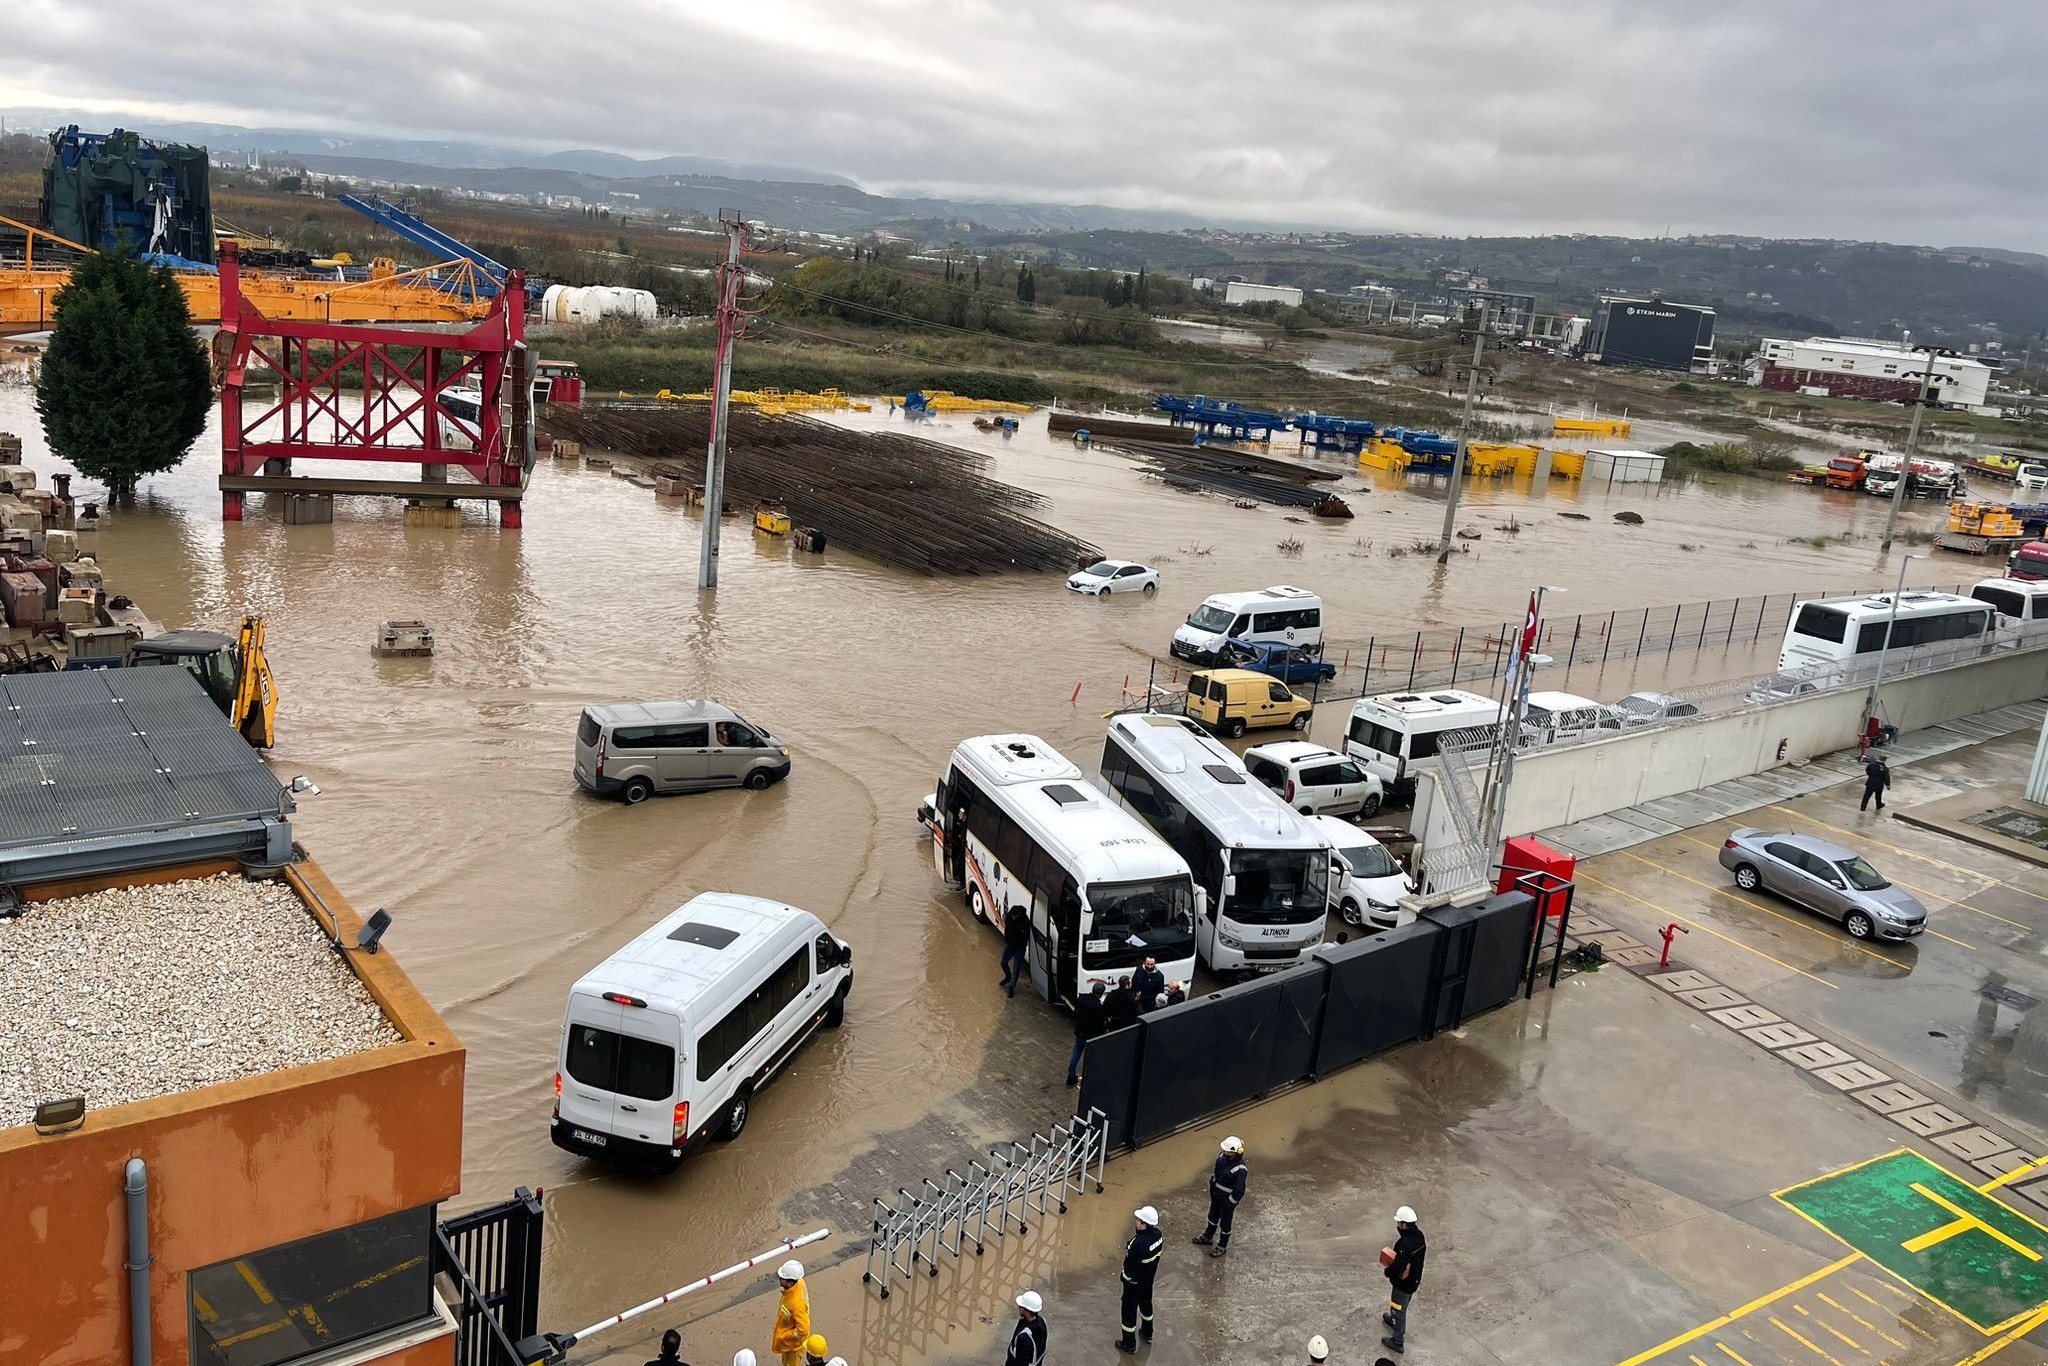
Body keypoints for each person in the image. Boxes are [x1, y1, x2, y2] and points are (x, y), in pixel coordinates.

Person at [1114, 1206, 1163, 1353]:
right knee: (1146, 1305)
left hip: (1134, 1284)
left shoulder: (1136, 1244)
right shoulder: (1158, 1236)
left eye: (1138, 1221)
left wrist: (1124, 1278)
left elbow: (1130, 1267)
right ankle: (1148, 1332)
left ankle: (1129, 1343)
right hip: (1148, 1281)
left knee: (1129, 1312)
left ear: (1145, 1224)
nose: (1136, 1222)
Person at [1381, 1205, 1426, 1354]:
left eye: (1399, 1223)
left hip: (1403, 1285)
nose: (1397, 1226)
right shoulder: (1419, 1237)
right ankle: (1395, 1322)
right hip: (1414, 1282)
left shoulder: (1405, 1244)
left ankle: (1397, 1340)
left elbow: (1398, 1267)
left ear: (1404, 1224)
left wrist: (1388, 1272)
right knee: (1403, 1306)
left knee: (1398, 1309)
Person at [1192, 1136, 1248, 1256]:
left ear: (1236, 1152)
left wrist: (1230, 1203)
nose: (1224, 1152)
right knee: (1212, 1216)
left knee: (1225, 1223)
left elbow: (1239, 1190)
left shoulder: (1240, 1169)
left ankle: (1222, 1245)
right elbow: (1217, 1172)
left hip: (1227, 1201)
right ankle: (1208, 1236)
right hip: (1216, 1195)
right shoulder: (1222, 1157)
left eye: (1227, 1151)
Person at [771, 1260, 810, 1366]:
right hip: (788, 1343)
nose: (780, 1279)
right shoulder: (797, 1284)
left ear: (790, 1283)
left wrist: (784, 1336)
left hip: (793, 1346)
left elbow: (803, 1330)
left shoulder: (797, 1304)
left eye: (782, 1278)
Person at [1068, 979, 1107, 1086]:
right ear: (1101, 994)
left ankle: (1071, 1074)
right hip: (1090, 1036)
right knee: (1090, 1058)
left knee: (1076, 1053)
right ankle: (1090, 1078)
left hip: (1080, 1032)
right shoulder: (1098, 1008)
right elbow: (1100, 1025)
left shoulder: (1082, 998)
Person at [1007, 1290, 1048, 1366]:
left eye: (1021, 1306)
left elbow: (1021, 1363)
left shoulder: (1024, 1337)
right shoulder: (1041, 1321)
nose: (1019, 1308)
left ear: (1027, 1310)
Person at [1000, 904, 1030, 996]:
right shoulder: (1010, 916)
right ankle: (1008, 977)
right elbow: (1007, 930)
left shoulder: (1025, 921)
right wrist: (1009, 940)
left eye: (1014, 916)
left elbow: (1025, 936)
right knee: (1003, 962)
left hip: (1020, 947)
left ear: (1019, 914)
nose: (1013, 917)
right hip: (1010, 945)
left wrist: (1014, 939)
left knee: (1016, 967)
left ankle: (1012, 987)